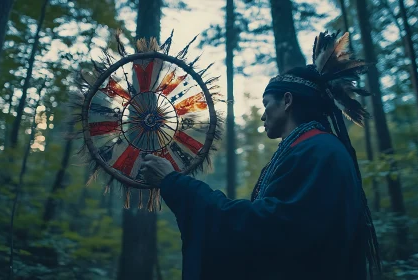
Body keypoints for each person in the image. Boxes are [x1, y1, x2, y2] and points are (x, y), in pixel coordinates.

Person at [140, 31, 381, 280]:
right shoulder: (309, 149)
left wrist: (177, 185)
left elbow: (268, 230)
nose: (263, 115)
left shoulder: (319, 152)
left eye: (267, 104)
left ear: (287, 101)